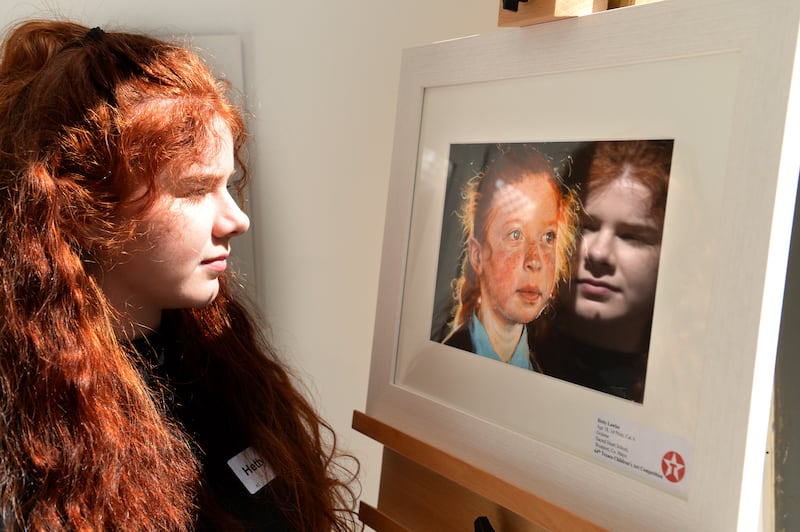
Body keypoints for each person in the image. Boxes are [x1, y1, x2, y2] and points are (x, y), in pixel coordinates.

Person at [0, 20, 359, 530]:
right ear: (85, 212)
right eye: (195, 190)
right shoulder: (34, 439)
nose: (237, 219)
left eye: (228, 184)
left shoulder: (220, 365)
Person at [534, 140, 673, 402]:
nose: (598, 253)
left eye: (633, 236)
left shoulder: (682, 396)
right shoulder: (497, 344)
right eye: (584, 226)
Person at [442, 144, 578, 371]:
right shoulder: (443, 363)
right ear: (477, 256)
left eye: (548, 236)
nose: (534, 260)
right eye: (515, 234)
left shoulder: (542, 375)